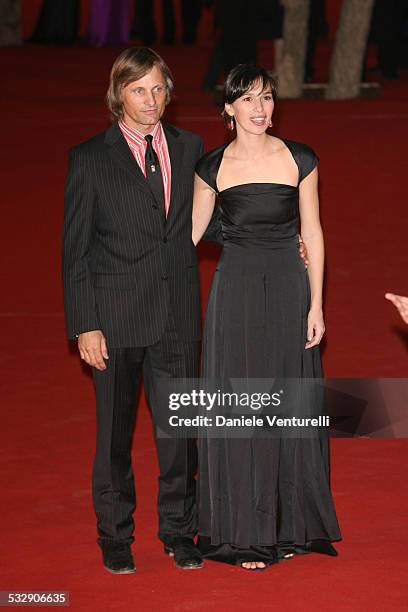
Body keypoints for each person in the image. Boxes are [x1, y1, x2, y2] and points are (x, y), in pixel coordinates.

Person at [192, 64, 341, 570]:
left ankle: (292, 526)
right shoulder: (210, 168)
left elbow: (314, 233)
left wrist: (316, 303)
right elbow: (185, 238)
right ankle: (245, 536)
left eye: (268, 98)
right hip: (235, 295)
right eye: (249, 99)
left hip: (288, 290)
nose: (261, 109)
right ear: (228, 109)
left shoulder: (299, 158)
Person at [62, 47, 204, 573]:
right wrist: (84, 324)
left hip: (177, 313)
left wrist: (282, 241)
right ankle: (115, 535)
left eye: (159, 89)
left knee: (179, 434)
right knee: (114, 436)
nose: (151, 100)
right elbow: (75, 249)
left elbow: (208, 219)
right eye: (139, 89)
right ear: (118, 93)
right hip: (115, 317)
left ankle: (179, 530)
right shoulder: (90, 158)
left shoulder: (191, 147)